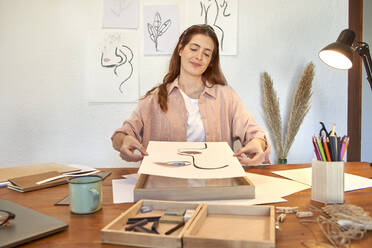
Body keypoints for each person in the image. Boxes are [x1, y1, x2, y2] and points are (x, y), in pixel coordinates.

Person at [112, 24, 271, 166]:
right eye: (194, 49)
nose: (199, 57)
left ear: (211, 61)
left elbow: (254, 133)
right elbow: (122, 134)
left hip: (214, 185)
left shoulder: (226, 96)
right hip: (165, 188)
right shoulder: (154, 98)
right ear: (180, 49)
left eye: (207, 54)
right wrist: (124, 141)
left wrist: (258, 144)